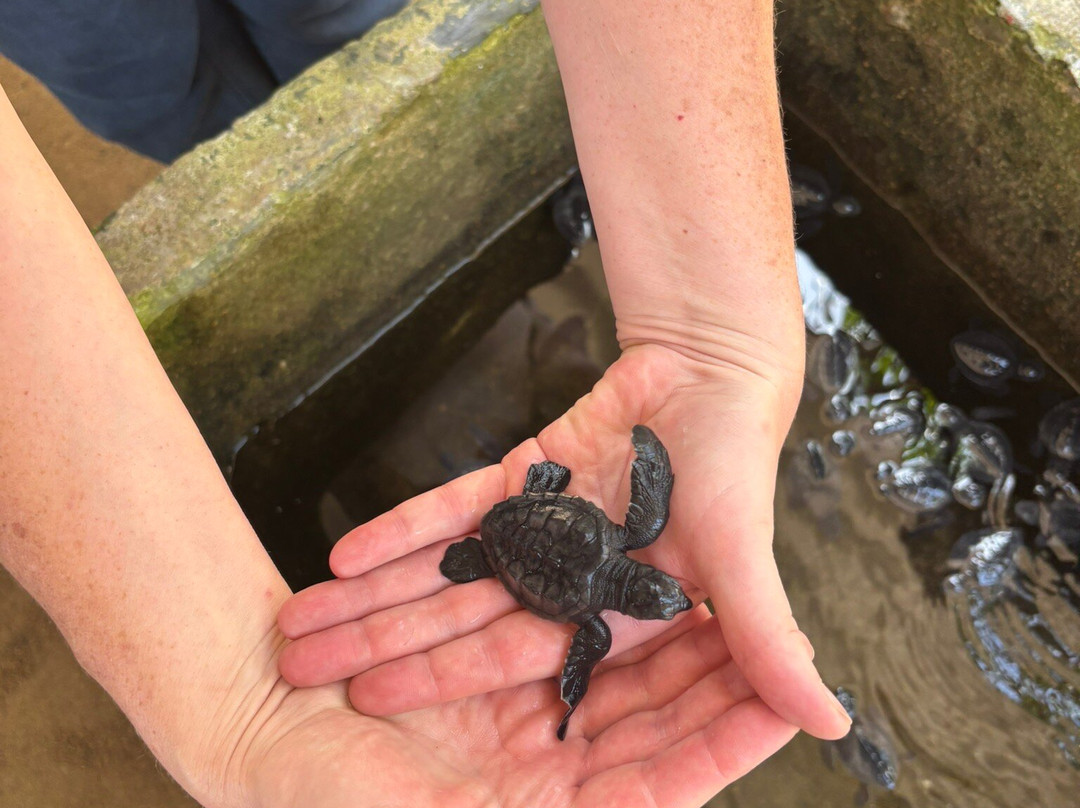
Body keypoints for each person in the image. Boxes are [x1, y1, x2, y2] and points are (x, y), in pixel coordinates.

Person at [0, 1, 849, 806]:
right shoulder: (597, 604)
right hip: (522, 541)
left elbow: (638, 492)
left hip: (535, 522)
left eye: (662, 601)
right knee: (143, 80)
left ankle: (300, 167)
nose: (668, 600)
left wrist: (709, 351)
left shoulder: (625, 540)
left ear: (638, 594)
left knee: (322, 41)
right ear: (625, 599)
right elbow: (589, 634)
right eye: (659, 601)